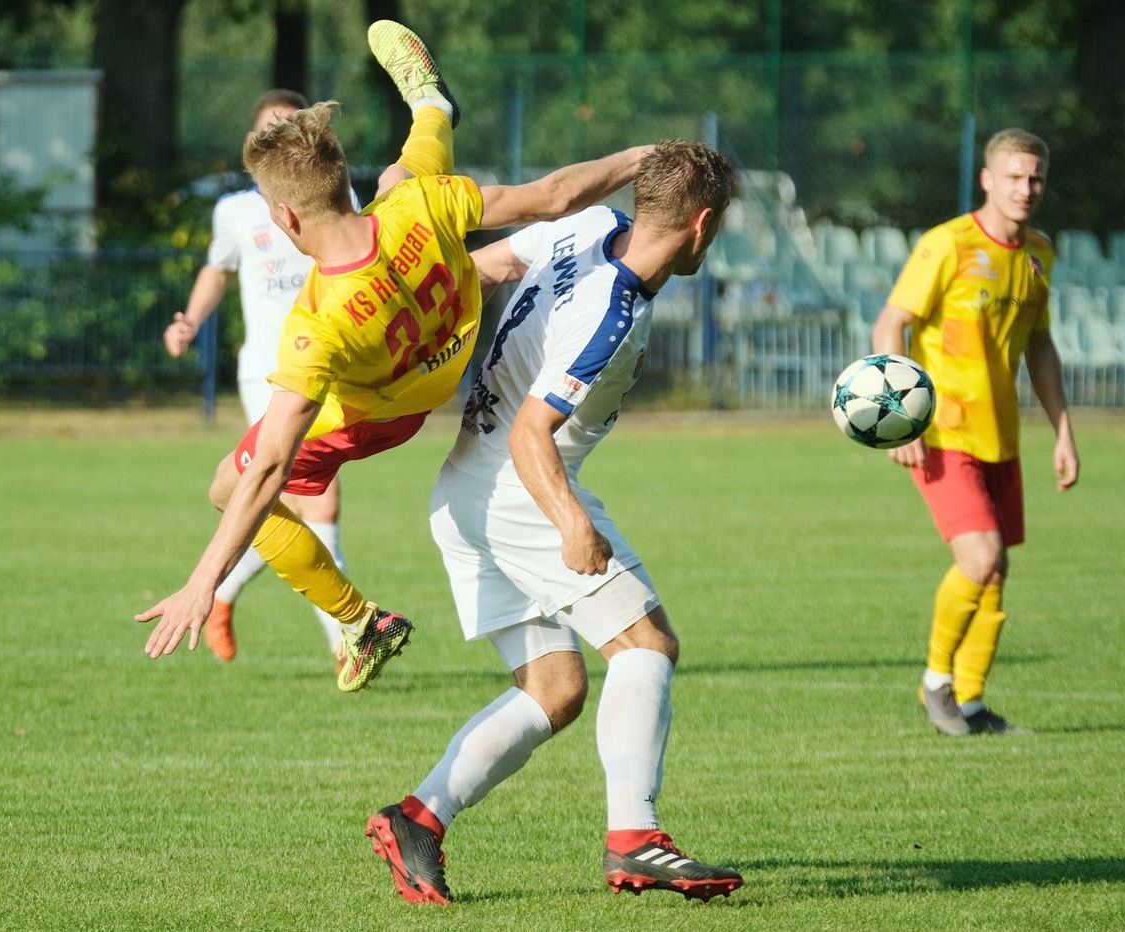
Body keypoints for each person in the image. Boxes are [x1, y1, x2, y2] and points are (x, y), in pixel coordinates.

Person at [136, 20, 651, 695]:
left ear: (286, 219)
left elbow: (267, 471)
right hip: (447, 357)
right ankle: (432, 105)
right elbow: (555, 196)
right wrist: (646, 155)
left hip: (380, 408)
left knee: (228, 487)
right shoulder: (417, 202)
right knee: (408, 169)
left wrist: (201, 584)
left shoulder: (317, 324)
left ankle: (359, 622)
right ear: (341, 180)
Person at [363, 140, 744, 905]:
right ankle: (635, 838)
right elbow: (531, 434)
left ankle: (417, 818)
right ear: (702, 225)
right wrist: (572, 522)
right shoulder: (615, 311)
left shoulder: (580, 228)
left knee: (554, 687)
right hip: (517, 489)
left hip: (464, 489)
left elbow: (476, 267)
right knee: (646, 644)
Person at [871, 127, 1080, 737]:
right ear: (987, 179)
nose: (1026, 188)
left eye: (1035, 177)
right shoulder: (948, 246)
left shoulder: (1040, 252)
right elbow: (891, 324)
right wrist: (900, 415)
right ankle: (936, 682)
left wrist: (1063, 430)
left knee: (997, 570)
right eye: (1014, 177)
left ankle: (970, 702)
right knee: (980, 555)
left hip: (1002, 433)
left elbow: (1040, 345)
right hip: (944, 431)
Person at [164, 89, 360, 668]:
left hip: (330, 365)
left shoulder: (337, 197)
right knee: (314, 500)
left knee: (286, 501)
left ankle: (221, 593)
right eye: (268, 128)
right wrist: (190, 321)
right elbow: (216, 269)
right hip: (269, 372)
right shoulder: (235, 211)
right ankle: (348, 642)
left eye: (290, 126)